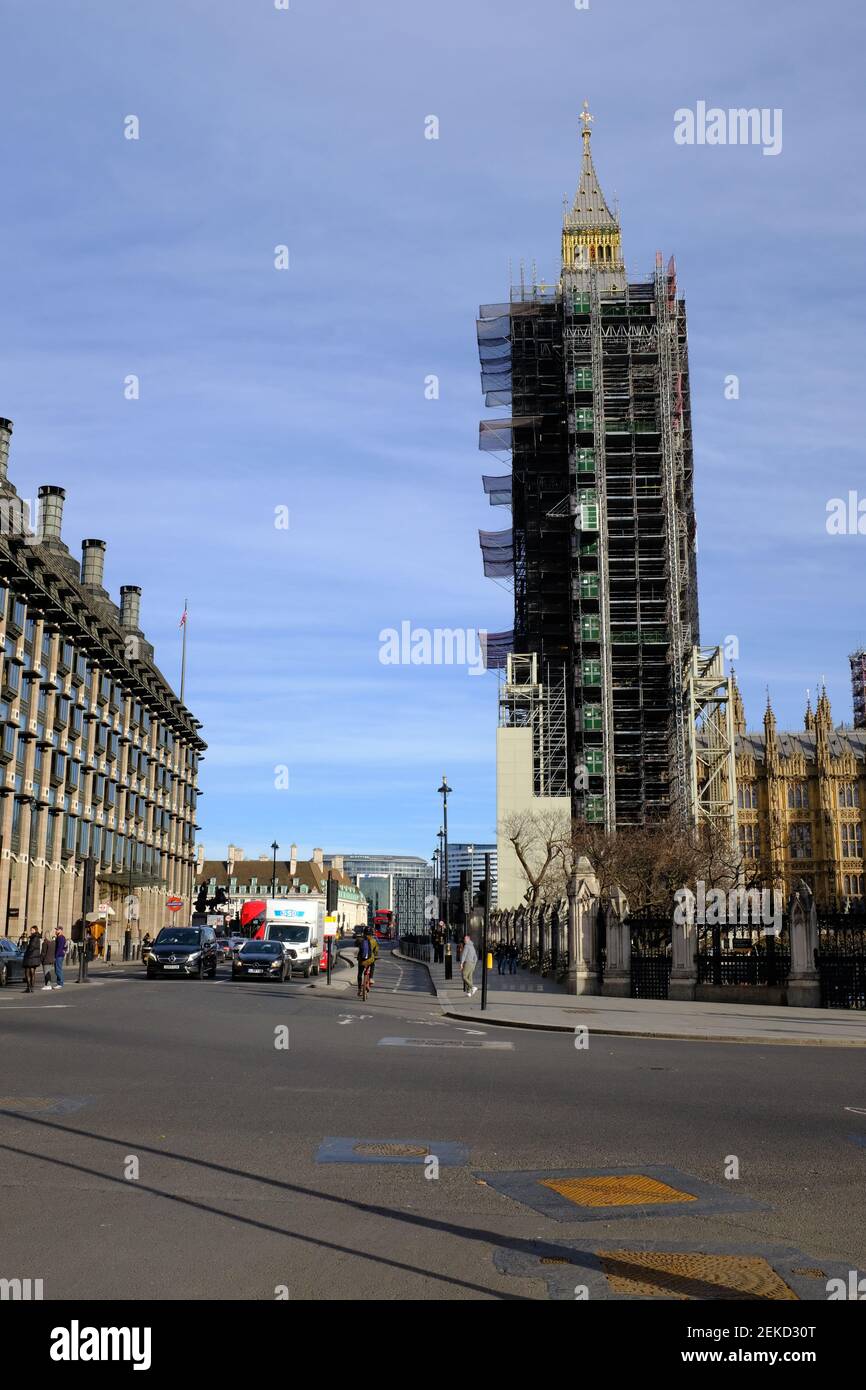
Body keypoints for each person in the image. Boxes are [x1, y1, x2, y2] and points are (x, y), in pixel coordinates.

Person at [357, 928, 378, 996]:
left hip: (362, 960)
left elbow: (357, 946)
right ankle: (371, 978)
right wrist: (375, 956)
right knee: (373, 964)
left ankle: (359, 989)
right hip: (370, 960)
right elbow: (376, 951)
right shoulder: (374, 941)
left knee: (359, 974)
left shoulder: (360, 940)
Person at [22, 926, 42, 994]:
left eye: (32, 930)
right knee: (32, 973)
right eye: (31, 930)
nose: (31, 931)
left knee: (27, 972)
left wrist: (26, 946)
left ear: (35, 930)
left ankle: (29, 987)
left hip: (30, 957)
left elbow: (32, 947)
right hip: (34, 957)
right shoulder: (37, 937)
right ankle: (31, 988)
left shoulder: (34, 937)